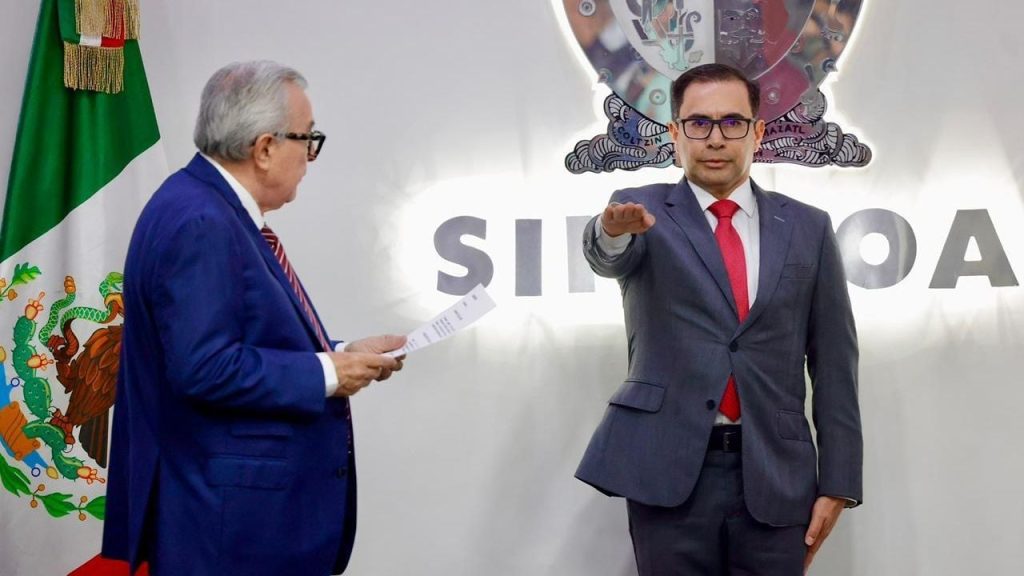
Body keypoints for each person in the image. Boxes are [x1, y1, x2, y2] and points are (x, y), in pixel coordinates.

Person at [102, 61, 406, 576]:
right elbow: (204, 367)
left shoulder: (200, 204)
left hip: (229, 517)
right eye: (308, 139)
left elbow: (237, 336)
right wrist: (328, 373)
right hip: (226, 526)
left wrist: (340, 353)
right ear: (264, 148)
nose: (310, 158)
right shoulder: (201, 220)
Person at [575, 63, 862, 575]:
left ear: (757, 131)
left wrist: (839, 482)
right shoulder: (640, 211)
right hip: (667, 466)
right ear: (675, 133)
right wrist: (611, 232)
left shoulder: (808, 227)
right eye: (698, 123)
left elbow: (835, 363)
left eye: (732, 122)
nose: (715, 138)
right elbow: (607, 255)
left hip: (776, 471)